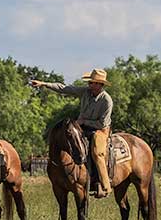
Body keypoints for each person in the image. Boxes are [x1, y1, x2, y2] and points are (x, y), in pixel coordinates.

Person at [30, 68, 113, 198]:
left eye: (94, 83)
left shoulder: (107, 100)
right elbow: (65, 88)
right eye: (90, 82)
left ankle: (102, 184)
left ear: (100, 84)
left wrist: (84, 121)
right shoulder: (85, 92)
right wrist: (44, 84)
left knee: (97, 151)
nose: (90, 85)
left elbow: (102, 124)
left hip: (100, 130)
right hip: (81, 126)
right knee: (69, 141)